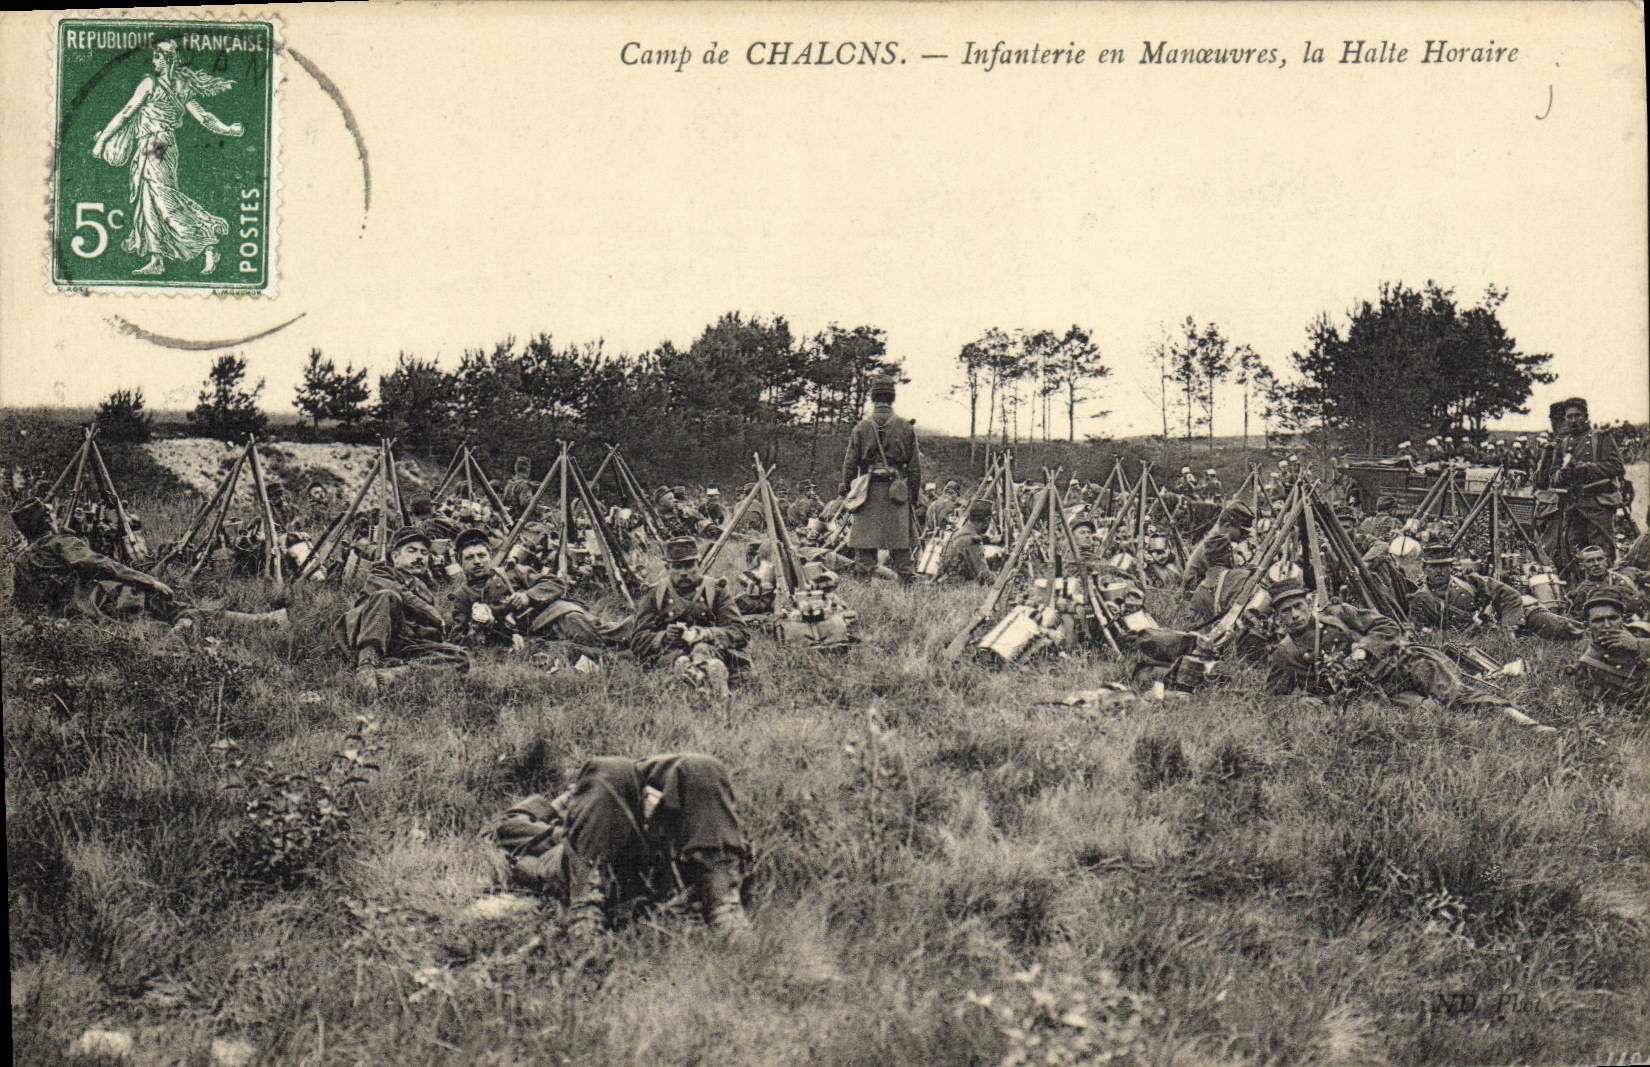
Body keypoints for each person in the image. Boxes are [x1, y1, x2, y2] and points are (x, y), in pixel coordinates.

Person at [495, 752, 753, 942]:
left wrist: (647, 775)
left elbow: (721, 828)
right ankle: (585, 912)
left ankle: (723, 908)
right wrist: (571, 829)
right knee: (609, 770)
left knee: (701, 767)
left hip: (662, 862)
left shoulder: (659, 788)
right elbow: (505, 828)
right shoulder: (582, 797)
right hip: (592, 866)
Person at [90, 41, 243, 276]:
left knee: (161, 198)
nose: (153, 63)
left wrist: (101, 142)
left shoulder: (150, 83)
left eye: (157, 58)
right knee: (151, 200)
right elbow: (205, 118)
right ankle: (158, 258)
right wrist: (228, 129)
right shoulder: (182, 87)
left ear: (168, 59)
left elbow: (126, 113)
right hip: (162, 145)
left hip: (155, 146)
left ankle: (207, 242)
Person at [337, 525, 470, 692]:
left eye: (424, 553)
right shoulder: (380, 573)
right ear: (395, 557)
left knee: (460, 658)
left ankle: (391, 676)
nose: (419, 557)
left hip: (405, 643)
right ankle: (366, 665)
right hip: (371, 636)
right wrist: (433, 613)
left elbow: (429, 632)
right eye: (412, 551)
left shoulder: (425, 591)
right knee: (387, 596)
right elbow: (400, 594)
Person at [9, 497, 183, 621]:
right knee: (158, 600)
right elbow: (103, 565)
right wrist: (148, 581)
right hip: (85, 608)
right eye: (52, 515)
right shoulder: (62, 543)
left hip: (55, 617)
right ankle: (182, 621)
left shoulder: (21, 560)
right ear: (47, 520)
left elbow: (22, 602)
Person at [627, 536, 750, 700]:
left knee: (702, 651)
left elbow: (740, 632)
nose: (683, 572)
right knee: (680, 661)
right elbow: (637, 641)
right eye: (677, 567)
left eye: (689, 565)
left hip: (714, 652)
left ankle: (698, 681)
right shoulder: (655, 594)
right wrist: (664, 637)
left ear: (698, 564)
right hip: (672, 656)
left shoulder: (716, 591)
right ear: (667, 567)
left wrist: (706, 634)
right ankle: (710, 687)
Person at [449, 527, 608, 651]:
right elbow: (458, 640)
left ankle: (626, 636)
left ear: (489, 557)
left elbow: (555, 583)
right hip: (523, 639)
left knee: (589, 626)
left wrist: (527, 597)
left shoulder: (511, 572)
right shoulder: (462, 596)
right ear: (460, 563)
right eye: (469, 558)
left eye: (481, 555)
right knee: (585, 645)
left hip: (550, 619)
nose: (477, 562)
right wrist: (478, 627)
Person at [840, 376, 921, 581]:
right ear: (892, 398)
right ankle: (907, 591)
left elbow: (850, 464)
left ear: (873, 398)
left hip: (868, 492)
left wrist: (847, 490)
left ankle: (863, 595)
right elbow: (914, 468)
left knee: (865, 549)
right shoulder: (906, 428)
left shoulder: (861, 428)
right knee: (901, 547)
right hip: (897, 493)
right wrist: (912, 495)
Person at [1407, 544, 1578, 639]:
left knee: (1559, 627)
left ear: (1451, 567)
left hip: (1508, 620)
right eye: (1434, 567)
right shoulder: (1420, 600)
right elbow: (1422, 633)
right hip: (1478, 636)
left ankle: (1588, 635)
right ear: (1424, 568)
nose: (1439, 571)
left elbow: (1510, 595)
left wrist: (1508, 628)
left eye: (1444, 566)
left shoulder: (1470, 580)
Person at [1568, 589, 1650, 707]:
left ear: (1622, 619)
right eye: (1598, 620)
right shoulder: (1588, 665)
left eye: (1612, 618)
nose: (1607, 625)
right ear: (1587, 626)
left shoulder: (1643, 632)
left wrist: (1638, 645)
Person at [1182, 502, 1255, 594]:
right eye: (1242, 531)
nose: (1245, 536)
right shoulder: (1214, 545)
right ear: (1227, 526)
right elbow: (1221, 576)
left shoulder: (1220, 541)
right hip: (1198, 591)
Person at [934, 499, 995, 584]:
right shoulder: (971, 540)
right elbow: (984, 576)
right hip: (960, 588)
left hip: (947, 583)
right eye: (992, 520)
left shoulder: (957, 533)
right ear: (987, 520)